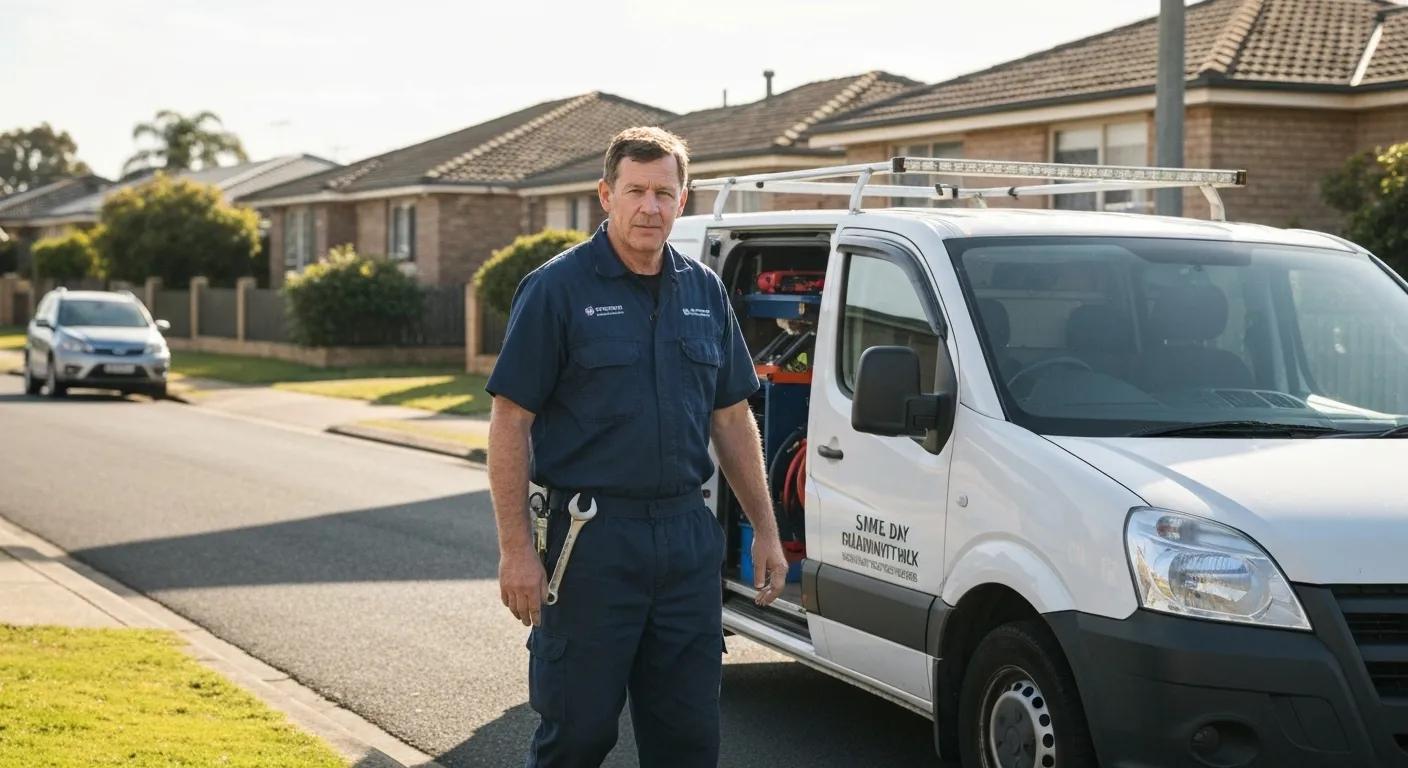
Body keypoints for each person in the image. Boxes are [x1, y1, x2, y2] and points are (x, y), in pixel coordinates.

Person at [485, 126, 788, 768]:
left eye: (664, 193)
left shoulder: (705, 291)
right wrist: (516, 551)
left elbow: (732, 418)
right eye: (636, 191)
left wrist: (766, 529)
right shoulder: (556, 290)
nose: (650, 207)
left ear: (684, 199)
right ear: (606, 194)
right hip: (589, 542)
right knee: (578, 733)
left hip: (685, 541)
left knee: (687, 740)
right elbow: (509, 420)